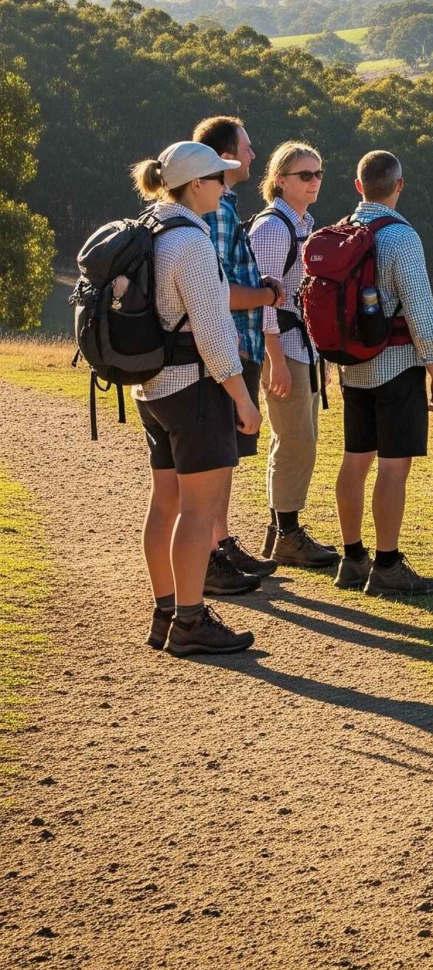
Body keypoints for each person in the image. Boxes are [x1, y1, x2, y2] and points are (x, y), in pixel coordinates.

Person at [130, 141, 261, 656]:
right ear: (197, 185)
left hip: (153, 388)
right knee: (198, 513)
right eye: (219, 178)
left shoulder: (153, 227)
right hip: (195, 392)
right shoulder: (192, 243)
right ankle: (190, 622)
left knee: (165, 504)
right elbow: (212, 333)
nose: (226, 185)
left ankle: (166, 612)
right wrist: (243, 401)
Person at [334, 150, 433, 597]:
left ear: (359, 185)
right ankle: (387, 566)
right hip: (397, 366)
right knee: (393, 468)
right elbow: (420, 310)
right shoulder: (401, 237)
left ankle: (352, 558)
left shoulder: (343, 230)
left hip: (351, 368)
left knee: (355, 460)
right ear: (399, 185)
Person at [191, 115, 285, 591]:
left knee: (226, 456)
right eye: (246, 148)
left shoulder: (223, 204)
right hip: (224, 346)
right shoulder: (219, 211)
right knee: (215, 458)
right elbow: (219, 291)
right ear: (226, 155)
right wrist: (268, 296)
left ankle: (221, 545)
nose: (253, 155)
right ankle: (209, 557)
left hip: (233, 346)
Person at [248, 141, 339, 569]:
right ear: (280, 180)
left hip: (298, 345)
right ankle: (286, 534)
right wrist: (276, 360)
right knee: (296, 439)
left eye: (319, 174)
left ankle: (281, 530)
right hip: (280, 345)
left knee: (298, 438)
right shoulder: (273, 229)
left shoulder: (300, 223)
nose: (315, 181)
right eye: (305, 175)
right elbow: (264, 298)